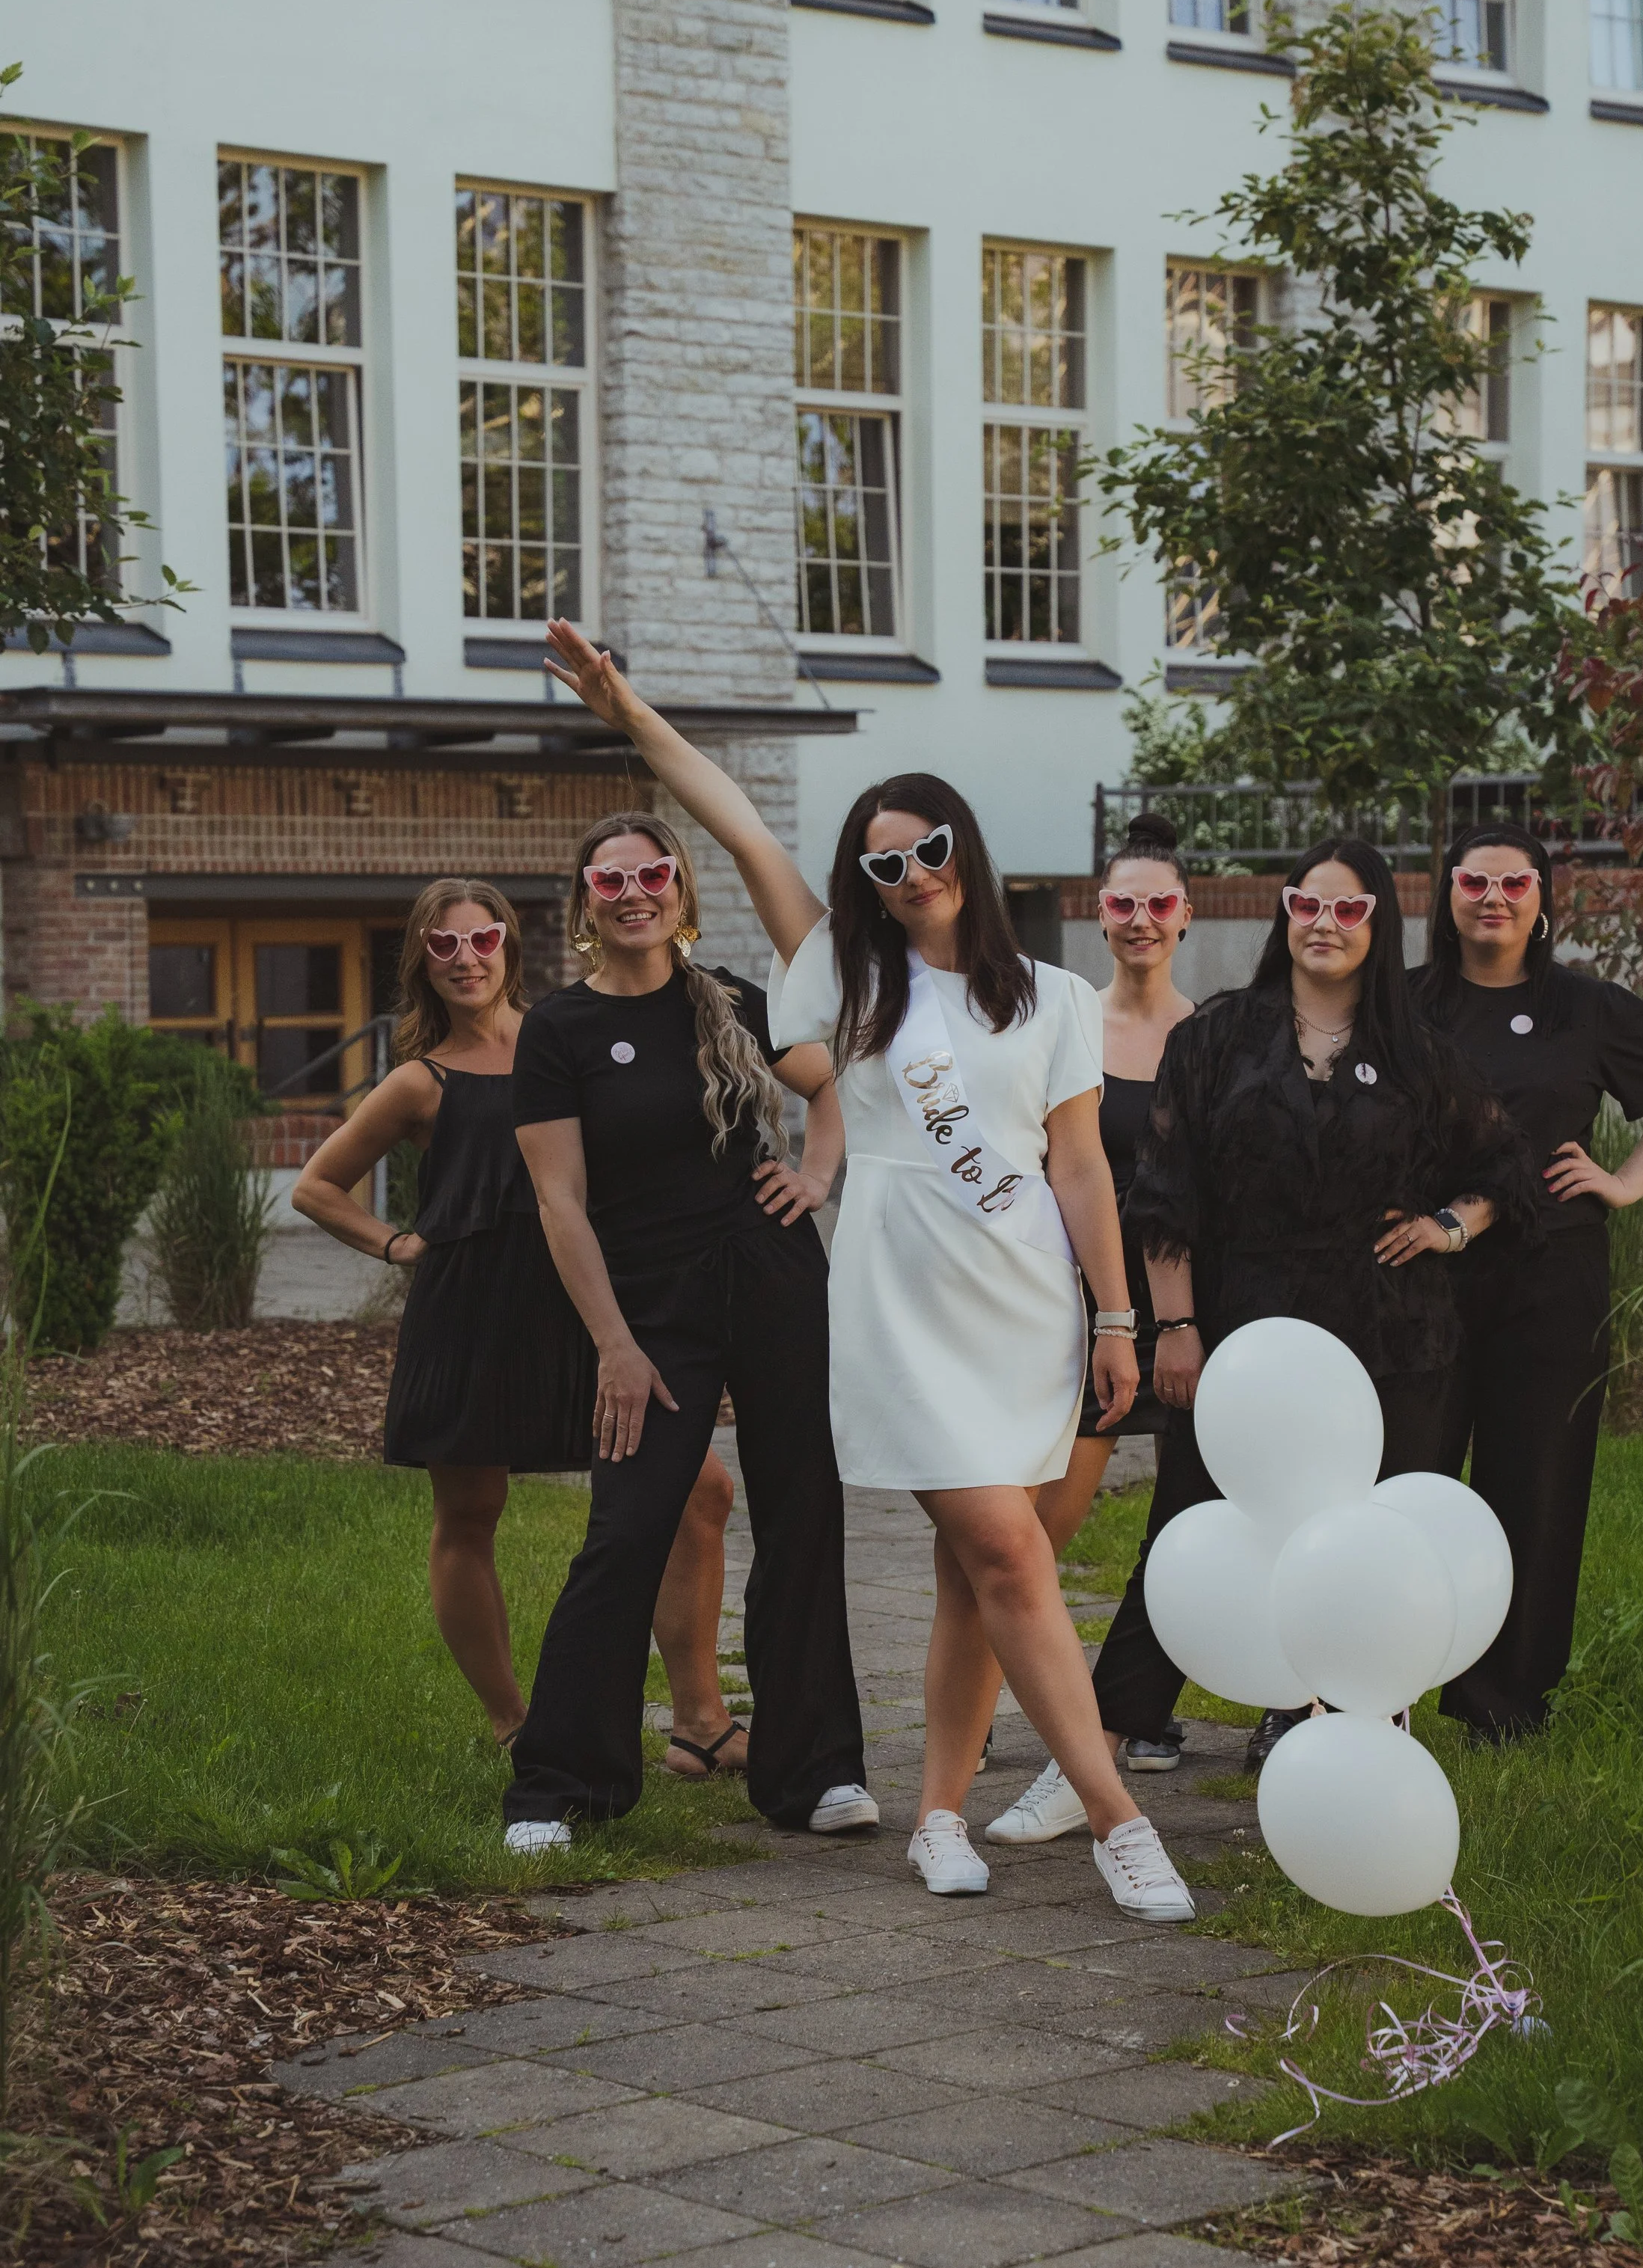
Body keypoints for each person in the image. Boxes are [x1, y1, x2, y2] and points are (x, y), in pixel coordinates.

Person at [542, 616, 1193, 1920]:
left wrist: (1116, 1319)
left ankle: (941, 1817)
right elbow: (737, 827)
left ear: (968, 850)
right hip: (900, 1317)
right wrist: (629, 711)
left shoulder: (1055, 1002)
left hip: (1027, 1312)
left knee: (973, 1576)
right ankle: (1121, 1819)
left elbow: (1080, 1173)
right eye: (884, 860)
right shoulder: (847, 971)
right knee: (1012, 1556)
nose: (909, 873)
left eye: (929, 848)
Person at [994, 836, 1538, 1825]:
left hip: (1389, 1343)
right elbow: (1165, 1192)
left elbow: (1506, 1167)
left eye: (1349, 909)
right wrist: (1179, 1324)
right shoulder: (1217, 1040)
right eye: (1306, 905)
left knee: (1370, 1549)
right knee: (1186, 1534)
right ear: (1282, 914)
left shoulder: (1418, 1054)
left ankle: (1363, 1769)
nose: (1325, 924)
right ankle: (1094, 1765)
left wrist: (1447, 1226)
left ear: (1379, 924)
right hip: (1242, 1338)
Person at [292, 880, 747, 1776]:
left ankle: (699, 1718)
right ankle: (513, 1723)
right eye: (443, 946)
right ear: (421, 962)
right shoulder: (417, 1081)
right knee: (470, 1512)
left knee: (699, 1490)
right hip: (474, 1313)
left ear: (509, 945)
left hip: (590, 1305)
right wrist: (397, 1245)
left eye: (481, 939)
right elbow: (315, 1186)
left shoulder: (567, 1035)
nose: (466, 959)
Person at [502, 806, 872, 1854]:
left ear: (681, 888)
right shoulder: (560, 1029)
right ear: (584, 904)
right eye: (608, 880)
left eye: (650, 873)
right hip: (648, 1302)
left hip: (771, 1272)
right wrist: (614, 1344)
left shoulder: (739, 1004)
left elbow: (837, 1075)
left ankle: (815, 1771)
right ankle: (562, 1783)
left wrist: (816, 1173)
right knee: (628, 1528)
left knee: (803, 1511)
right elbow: (559, 1204)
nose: (632, 893)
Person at [1413, 824, 1643, 1739]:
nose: (1492, 897)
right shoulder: (1403, 1003)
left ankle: (1503, 1700)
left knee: (1532, 1483)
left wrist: (1622, 1183)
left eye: (1513, 882)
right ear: (1448, 894)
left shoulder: (1589, 1009)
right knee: (1408, 1477)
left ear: (1542, 898)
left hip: (1554, 1279)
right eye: (1474, 881)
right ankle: (1381, 1684)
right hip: (1422, 1275)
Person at [980, 815, 1196, 1836]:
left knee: (1191, 1519)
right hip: (1080, 1309)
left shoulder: (1216, 1036)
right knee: (1036, 1525)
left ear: (1187, 916)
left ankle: (1136, 1712)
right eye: (1123, 902)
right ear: (1095, 913)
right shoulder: (1061, 1019)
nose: (1141, 919)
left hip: (1194, 1313)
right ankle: (973, 1697)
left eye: (1160, 902)